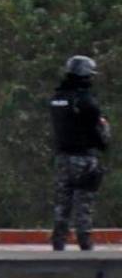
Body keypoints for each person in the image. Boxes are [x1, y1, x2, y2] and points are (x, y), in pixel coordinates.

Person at [50, 55, 110, 251]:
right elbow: (97, 132)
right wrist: (103, 138)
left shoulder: (57, 98)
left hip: (62, 157)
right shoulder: (86, 100)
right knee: (84, 201)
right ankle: (85, 241)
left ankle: (58, 240)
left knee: (62, 201)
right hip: (84, 157)